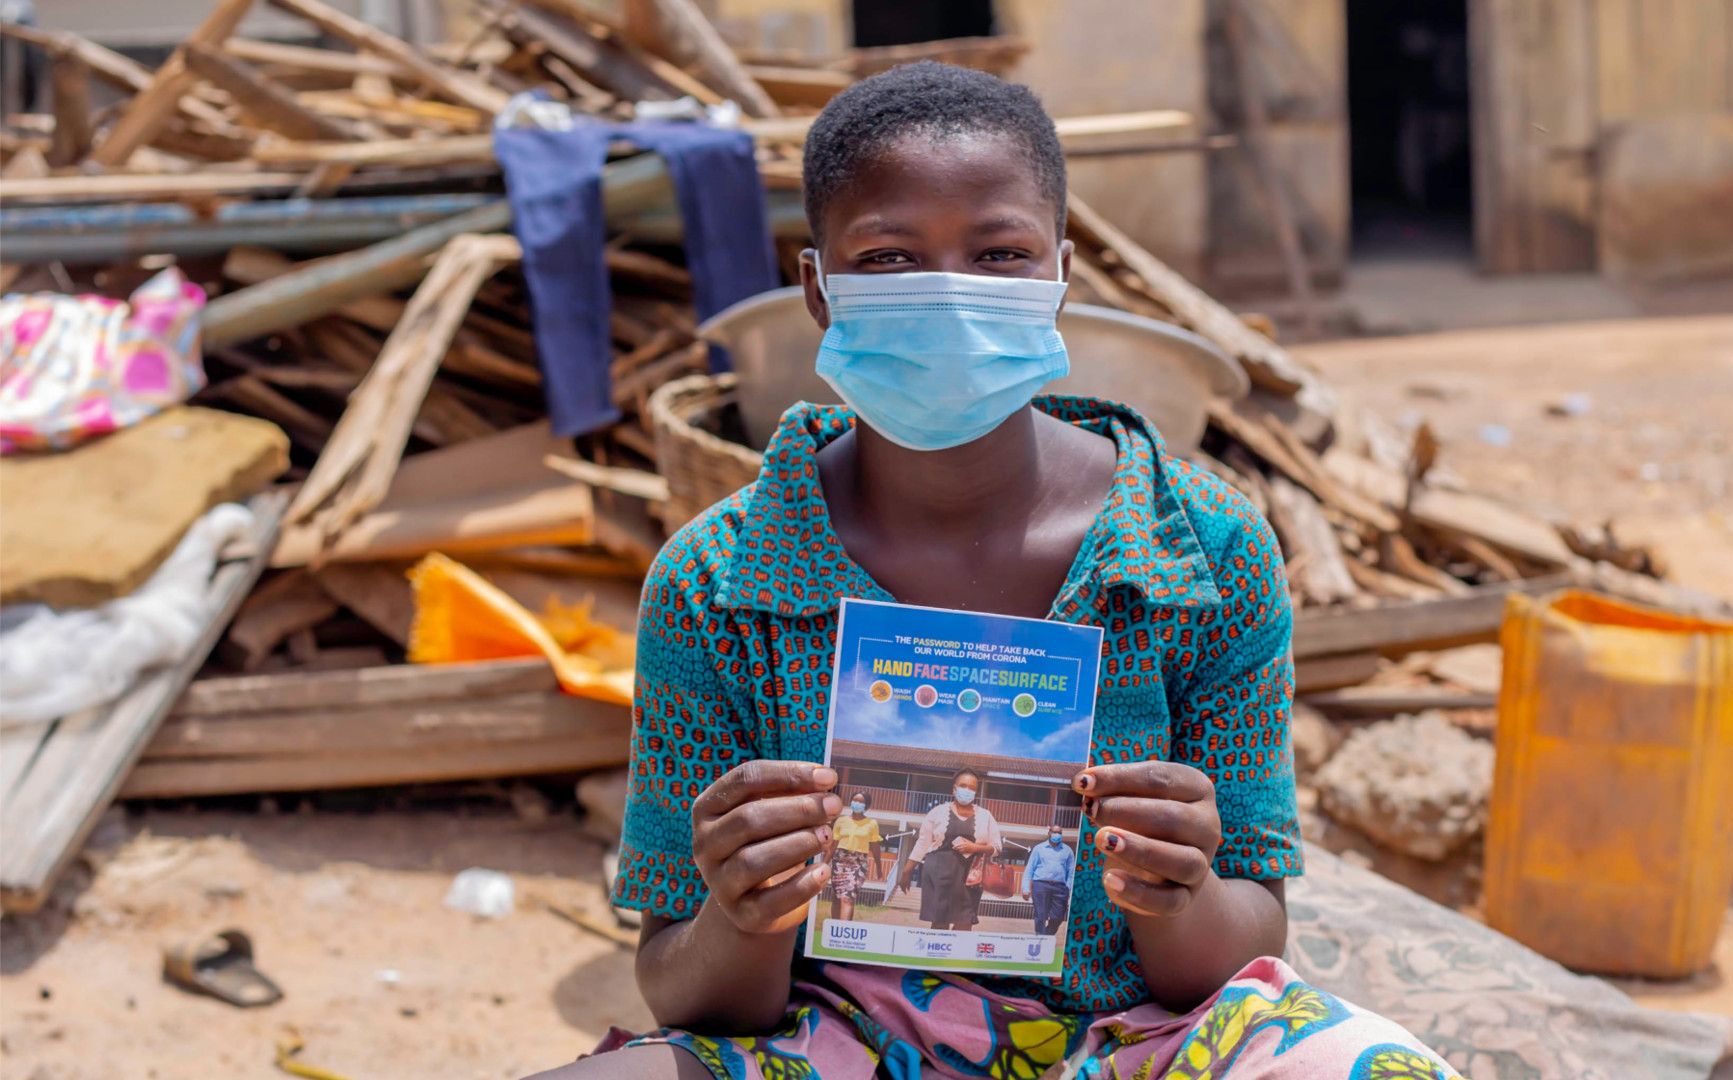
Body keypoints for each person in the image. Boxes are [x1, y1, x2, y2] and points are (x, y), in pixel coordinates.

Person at [535, 61, 1456, 1079]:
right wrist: (745, 909)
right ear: (817, 289)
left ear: (1060, 276)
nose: (950, 293)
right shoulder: (715, 585)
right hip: (837, 1043)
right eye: (888, 256)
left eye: (1000, 252)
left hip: (1137, 1044)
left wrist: (1177, 892)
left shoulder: (1204, 554)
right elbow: (683, 987)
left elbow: (1244, 947)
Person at [894, 769, 1001, 930]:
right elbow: (922, 843)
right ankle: (936, 955)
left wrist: (975, 847)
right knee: (939, 923)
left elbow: (997, 848)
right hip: (938, 874)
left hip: (970, 878)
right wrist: (906, 872)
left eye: (972, 788)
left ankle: (956, 955)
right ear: (954, 788)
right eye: (963, 786)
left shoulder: (986, 816)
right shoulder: (937, 812)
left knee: (964, 924)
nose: (967, 791)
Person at [822, 791, 881, 921]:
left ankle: (844, 933)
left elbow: (875, 847)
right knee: (837, 898)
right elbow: (833, 845)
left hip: (858, 863)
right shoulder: (841, 821)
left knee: (848, 898)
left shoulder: (872, 824)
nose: (857, 803)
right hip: (839, 861)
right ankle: (835, 931)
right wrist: (824, 864)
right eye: (855, 800)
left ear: (867, 805)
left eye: (861, 801)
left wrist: (879, 867)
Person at [1021, 825, 1075, 936]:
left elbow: (1071, 872)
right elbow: (1029, 869)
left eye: (1060, 832)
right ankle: (1040, 939)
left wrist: (1068, 887)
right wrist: (1025, 888)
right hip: (1040, 886)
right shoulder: (1038, 849)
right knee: (1040, 916)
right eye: (1055, 832)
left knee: (1058, 917)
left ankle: (1046, 936)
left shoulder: (1067, 850)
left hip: (1060, 888)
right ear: (1049, 833)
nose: (1057, 835)